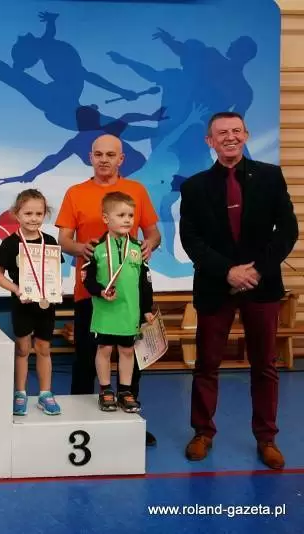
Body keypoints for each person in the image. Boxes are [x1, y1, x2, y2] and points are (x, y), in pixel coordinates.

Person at [179, 111, 297, 469]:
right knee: (206, 365)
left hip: (262, 285)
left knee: (265, 365)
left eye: (236, 131)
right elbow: (191, 240)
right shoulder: (194, 187)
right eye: (221, 133)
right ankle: (202, 432)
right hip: (215, 286)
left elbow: (287, 231)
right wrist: (228, 272)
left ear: (245, 135)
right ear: (210, 141)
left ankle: (266, 437)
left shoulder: (271, 177)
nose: (229, 137)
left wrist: (256, 270)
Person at [55, 134, 161, 445]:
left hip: (129, 295)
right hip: (91, 291)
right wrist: (81, 248)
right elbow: (64, 240)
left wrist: (149, 245)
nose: (104, 159)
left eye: (110, 154)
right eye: (99, 154)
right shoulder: (75, 193)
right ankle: (78, 424)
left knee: (131, 357)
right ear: (90, 157)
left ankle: (130, 422)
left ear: (121, 159)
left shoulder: (136, 190)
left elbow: (153, 233)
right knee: (86, 358)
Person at [82, 192, 155, 413]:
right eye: (121, 215)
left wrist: (146, 309)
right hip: (105, 311)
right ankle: (105, 390)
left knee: (127, 351)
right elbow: (87, 279)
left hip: (129, 312)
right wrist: (100, 291)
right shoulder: (96, 249)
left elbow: (145, 282)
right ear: (106, 218)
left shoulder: (138, 248)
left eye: (130, 215)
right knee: (104, 349)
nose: (127, 220)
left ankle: (125, 391)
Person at [0, 189, 63, 416]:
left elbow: (55, 272)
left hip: (45, 304)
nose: (34, 218)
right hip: (22, 304)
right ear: (17, 214)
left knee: (44, 348)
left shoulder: (49, 241)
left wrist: (54, 288)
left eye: (39, 214)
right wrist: (16, 289)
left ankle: (45, 394)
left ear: (45, 214)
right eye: (28, 213)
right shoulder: (9, 244)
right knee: (23, 349)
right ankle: (20, 393)